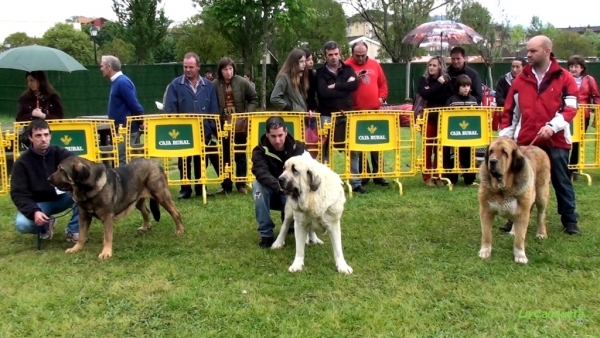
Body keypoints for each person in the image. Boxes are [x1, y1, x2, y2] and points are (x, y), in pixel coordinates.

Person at [499, 35, 580, 235]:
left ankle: (569, 220)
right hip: (526, 140)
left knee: (561, 179)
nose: (528, 54)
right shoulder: (520, 79)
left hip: (557, 139)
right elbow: (510, 111)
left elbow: (570, 108)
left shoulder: (565, 77)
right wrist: (505, 139)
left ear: (547, 51)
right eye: (528, 50)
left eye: (533, 51)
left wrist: (553, 126)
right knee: (518, 180)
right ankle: (514, 218)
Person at [10, 119, 80, 242]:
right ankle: (46, 224)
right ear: (30, 138)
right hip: (39, 204)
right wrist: (34, 212)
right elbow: (18, 194)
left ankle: (73, 230)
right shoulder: (21, 163)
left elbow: (80, 168)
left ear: (50, 136)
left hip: (64, 197)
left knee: (83, 190)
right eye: (38, 135)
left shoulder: (62, 154)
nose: (43, 139)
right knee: (23, 224)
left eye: (46, 135)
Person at [164, 52, 220, 199]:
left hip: (204, 131)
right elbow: (170, 108)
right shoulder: (175, 85)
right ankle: (185, 189)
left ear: (198, 67)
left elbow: (214, 109)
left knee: (201, 160)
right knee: (184, 160)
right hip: (183, 131)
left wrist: (212, 127)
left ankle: (202, 187)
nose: (187, 70)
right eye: (185, 67)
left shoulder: (208, 86)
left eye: (191, 67)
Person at [251, 116, 310, 248]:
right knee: (257, 186)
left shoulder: (300, 149)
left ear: (286, 132)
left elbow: (311, 170)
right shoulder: (259, 151)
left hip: (294, 194)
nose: (277, 140)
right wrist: (279, 186)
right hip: (273, 193)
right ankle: (266, 234)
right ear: (267, 134)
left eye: (280, 135)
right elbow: (261, 173)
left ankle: (292, 225)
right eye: (273, 136)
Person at [315, 41, 364, 193]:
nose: (334, 57)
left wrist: (335, 85)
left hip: (346, 114)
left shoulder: (348, 69)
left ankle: (355, 182)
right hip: (326, 115)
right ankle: (325, 181)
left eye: (336, 54)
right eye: (330, 55)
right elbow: (323, 93)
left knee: (353, 148)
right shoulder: (320, 73)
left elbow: (354, 86)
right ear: (325, 56)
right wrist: (344, 85)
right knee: (325, 149)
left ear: (340, 53)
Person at [345, 40, 389, 187]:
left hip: (374, 111)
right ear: (352, 54)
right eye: (357, 56)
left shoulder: (375, 64)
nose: (360, 58)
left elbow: (383, 85)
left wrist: (381, 98)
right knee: (360, 144)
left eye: (363, 55)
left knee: (377, 143)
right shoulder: (346, 66)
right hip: (356, 112)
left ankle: (379, 175)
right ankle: (364, 175)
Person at [212, 57, 258, 194]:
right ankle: (226, 185)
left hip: (239, 124)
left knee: (240, 154)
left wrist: (245, 114)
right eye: (225, 69)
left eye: (230, 68)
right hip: (222, 124)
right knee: (225, 155)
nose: (228, 72)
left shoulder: (242, 82)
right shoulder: (214, 84)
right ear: (221, 70)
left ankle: (241, 184)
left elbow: (254, 98)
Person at [100, 55, 144, 166]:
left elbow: (134, 105)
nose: (101, 69)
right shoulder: (117, 82)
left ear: (109, 67)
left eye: (102, 66)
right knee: (120, 160)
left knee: (122, 161)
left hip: (125, 130)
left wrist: (141, 122)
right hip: (121, 130)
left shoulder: (122, 82)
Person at [417, 55, 454, 186]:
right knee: (427, 147)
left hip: (442, 119)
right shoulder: (424, 80)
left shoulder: (447, 80)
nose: (431, 67)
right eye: (430, 65)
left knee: (440, 148)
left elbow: (448, 96)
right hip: (428, 118)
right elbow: (426, 94)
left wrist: (434, 91)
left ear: (440, 67)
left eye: (434, 65)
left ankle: (438, 175)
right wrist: (438, 84)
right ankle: (427, 176)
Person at [566, 55, 600, 176]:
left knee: (578, 141)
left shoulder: (589, 79)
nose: (573, 69)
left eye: (576, 66)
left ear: (582, 68)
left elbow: (596, 97)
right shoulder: (564, 78)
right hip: (566, 114)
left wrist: (597, 116)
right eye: (571, 66)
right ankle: (563, 167)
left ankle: (573, 168)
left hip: (582, 115)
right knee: (564, 140)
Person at [444, 74, 478, 186]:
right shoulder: (451, 100)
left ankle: (470, 180)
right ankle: (451, 179)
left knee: (469, 156)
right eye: (463, 86)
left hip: (469, 135)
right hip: (454, 135)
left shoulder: (473, 100)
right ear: (458, 87)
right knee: (452, 157)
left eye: (468, 86)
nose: (466, 88)